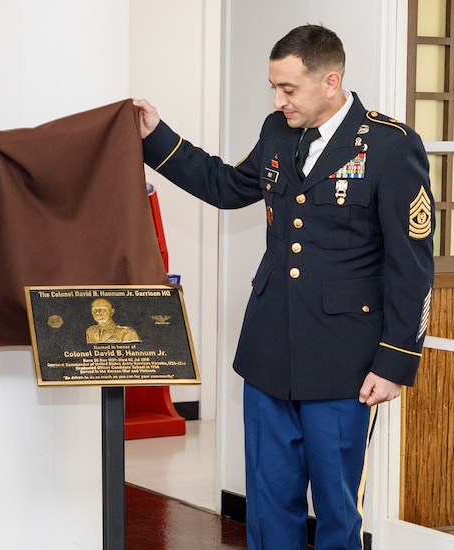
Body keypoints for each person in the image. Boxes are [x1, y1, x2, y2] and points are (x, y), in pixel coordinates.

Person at [135, 24, 434, 550]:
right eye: (273, 88)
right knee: (269, 505)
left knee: (337, 511)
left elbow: (411, 265)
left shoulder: (390, 144)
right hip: (270, 349)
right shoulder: (278, 130)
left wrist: (395, 360)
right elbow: (227, 186)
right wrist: (155, 135)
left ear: (330, 82)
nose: (278, 100)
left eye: (288, 89)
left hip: (345, 360)